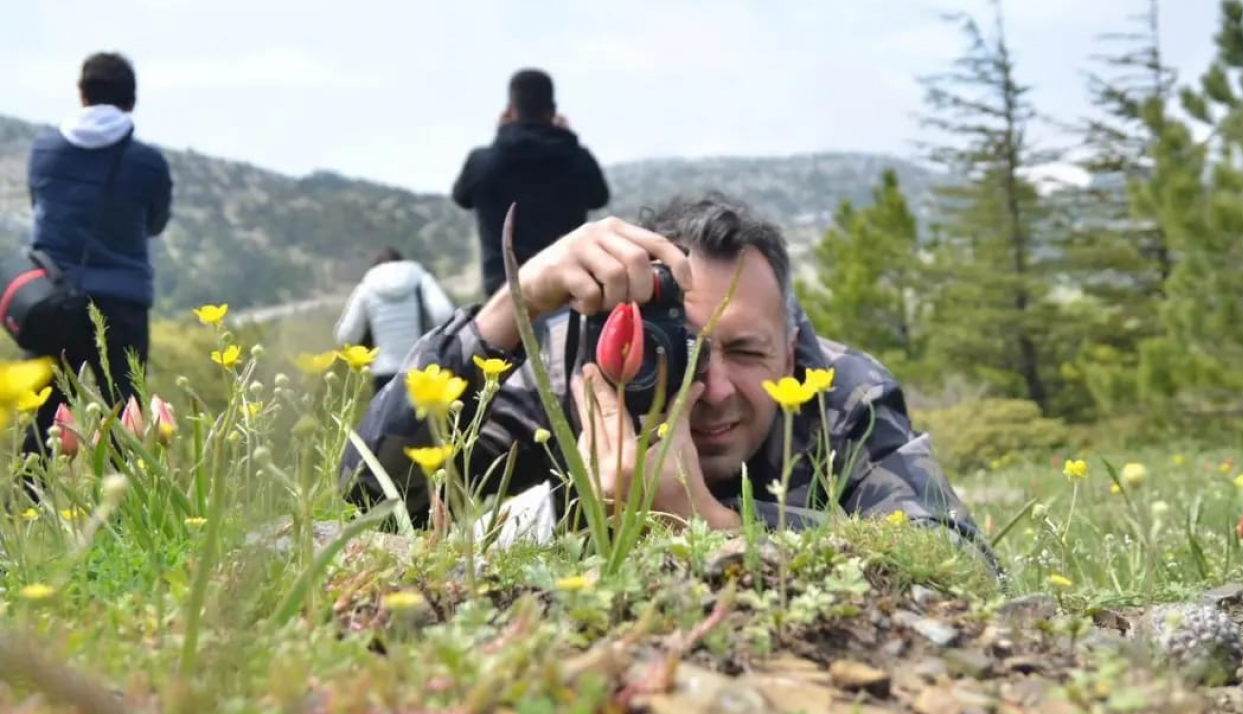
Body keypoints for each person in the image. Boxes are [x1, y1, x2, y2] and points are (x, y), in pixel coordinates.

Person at [340, 194, 996, 571]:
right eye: (674, 353)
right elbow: (362, 492)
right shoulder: (580, 369)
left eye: (743, 350)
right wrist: (513, 307)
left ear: (792, 350)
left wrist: (705, 523)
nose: (707, 390)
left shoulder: (841, 391)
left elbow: (959, 565)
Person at [23, 51, 172, 459]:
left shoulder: (45, 151)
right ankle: (125, 516)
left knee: (42, 417)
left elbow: (40, 206)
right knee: (126, 411)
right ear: (131, 100)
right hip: (123, 302)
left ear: (82, 95)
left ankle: (23, 512)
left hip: (54, 299)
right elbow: (156, 222)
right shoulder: (148, 162)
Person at [451, 68, 611, 300]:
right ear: (553, 111)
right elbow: (600, 197)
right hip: (568, 285)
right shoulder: (576, 158)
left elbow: (461, 197)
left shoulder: (483, 162)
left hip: (505, 291)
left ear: (510, 110)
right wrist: (567, 139)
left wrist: (501, 134)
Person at [333, 247, 456, 392]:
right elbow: (445, 315)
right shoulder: (420, 278)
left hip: (383, 371)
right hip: (419, 370)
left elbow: (346, 336)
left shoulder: (367, 286)